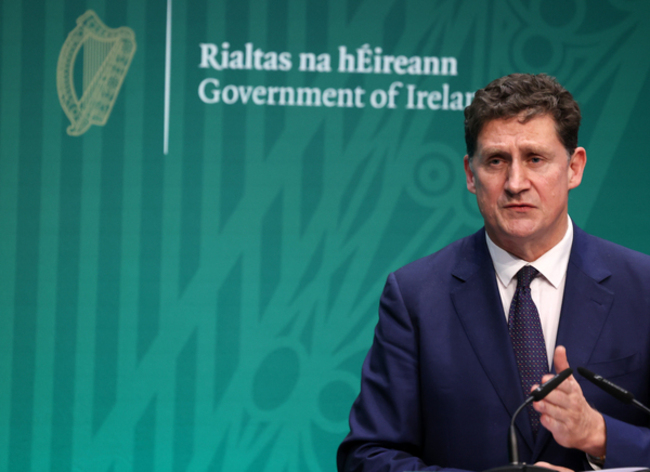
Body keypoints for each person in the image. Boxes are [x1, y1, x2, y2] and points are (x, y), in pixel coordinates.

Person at [337, 73, 650, 472]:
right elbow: (367, 457)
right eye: (497, 161)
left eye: (535, 159)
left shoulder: (642, 288)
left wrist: (601, 435)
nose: (516, 183)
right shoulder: (416, 295)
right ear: (471, 174)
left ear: (574, 168)